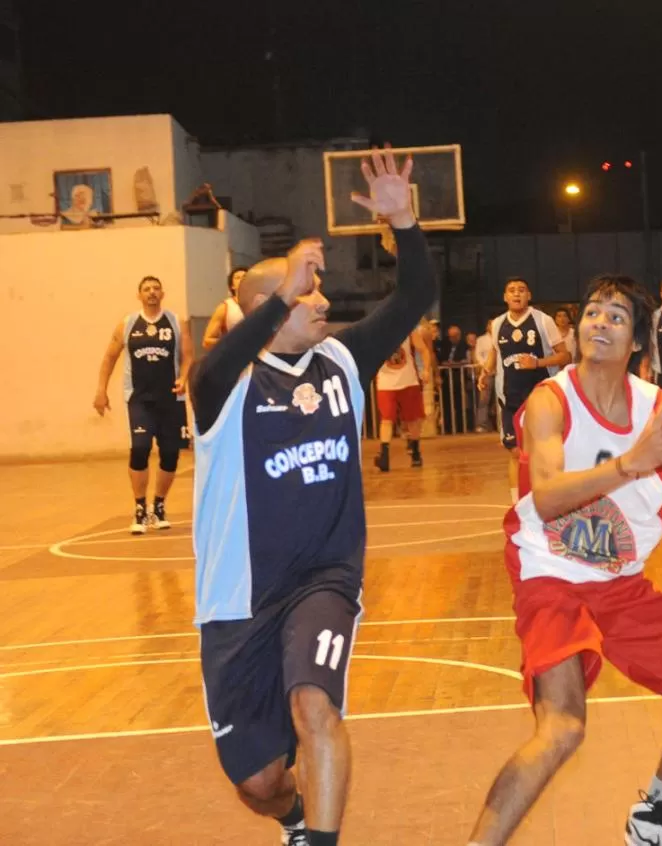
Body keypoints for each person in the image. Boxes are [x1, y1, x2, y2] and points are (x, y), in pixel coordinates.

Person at [189, 148, 434, 846]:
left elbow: (414, 296)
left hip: (322, 579)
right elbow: (214, 364)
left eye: (319, 286)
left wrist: (405, 223)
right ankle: (295, 821)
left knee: (313, 705)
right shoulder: (222, 387)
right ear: (264, 308)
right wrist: (277, 295)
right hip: (237, 601)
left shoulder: (342, 361)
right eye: (308, 289)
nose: (322, 298)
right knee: (258, 783)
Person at [467, 275, 662, 846]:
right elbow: (545, 497)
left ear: (638, 342)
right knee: (563, 727)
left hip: (622, 584)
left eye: (616, 317)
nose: (598, 323)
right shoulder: (552, 398)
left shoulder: (661, 408)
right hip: (551, 573)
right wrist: (631, 463)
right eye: (592, 312)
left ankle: (654, 816)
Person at [93, 275, 194, 533]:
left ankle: (158, 505)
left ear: (162, 293)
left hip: (171, 398)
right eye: (146, 289)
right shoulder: (127, 324)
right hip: (139, 398)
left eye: (156, 288)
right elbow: (109, 358)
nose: (151, 292)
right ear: (139, 295)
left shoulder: (176, 322)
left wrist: (183, 377)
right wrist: (101, 391)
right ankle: (139, 508)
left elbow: (188, 356)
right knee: (139, 448)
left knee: (170, 454)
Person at [478, 278, 571, 502]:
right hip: (510, 398)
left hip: (540, 396)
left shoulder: (543, 320)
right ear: (505, 297)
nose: (516, 294)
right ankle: (517, 505)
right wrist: (486, 371)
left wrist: (537, 363)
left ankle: (552, 498)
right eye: (511, 290)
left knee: (545, 451)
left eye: (521, 290)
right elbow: (494, 352)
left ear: (529, 295)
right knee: (515, 452)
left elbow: (565, 355)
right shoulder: (498, 323)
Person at [374, 323, 433, 471]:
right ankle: (396, 455)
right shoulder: (379, 331)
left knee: (406, 419)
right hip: (391, 382)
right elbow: (424, 350)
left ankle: (409, 453)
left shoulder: (407, 329)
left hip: (403, 381)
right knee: (392, 419)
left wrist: (426, 369)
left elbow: (424, 350)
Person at [202, 266, 249, 349]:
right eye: (238, 278)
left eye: (245, 276)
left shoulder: (260, 304)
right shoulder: (225, 307)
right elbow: (207, 341)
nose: (242, 279)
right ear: (232, 286)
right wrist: (232, 341)